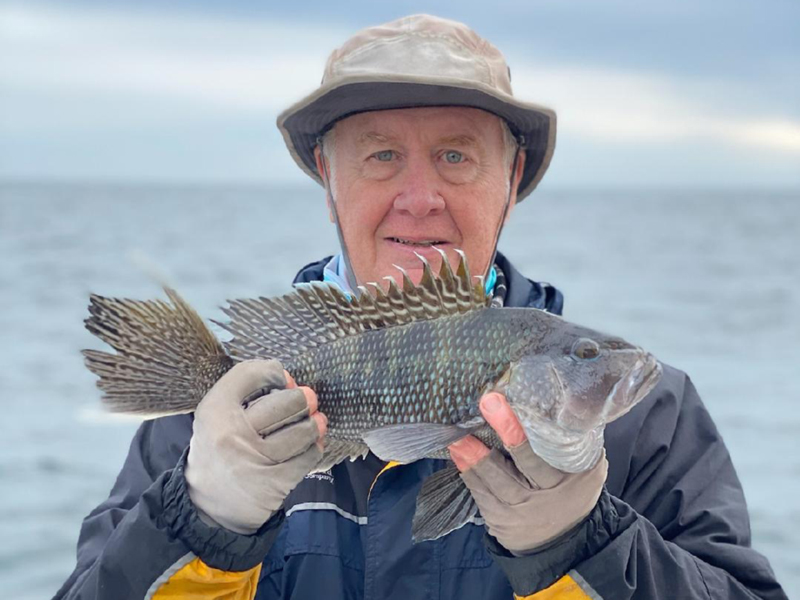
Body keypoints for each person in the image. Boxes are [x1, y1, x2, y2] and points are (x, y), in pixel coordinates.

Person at [55, 14, 786, 600]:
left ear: (513, 174)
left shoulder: (650, 420)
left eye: (457, 156)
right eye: (379, 156)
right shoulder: (211, 419)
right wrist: (204, 521)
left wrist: (579, 541)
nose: (419, 197)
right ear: (326, 173)